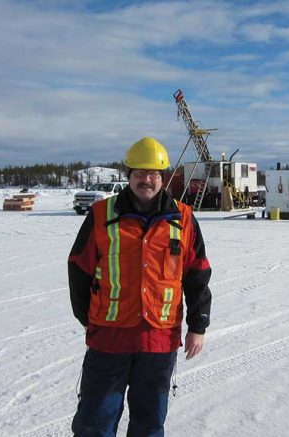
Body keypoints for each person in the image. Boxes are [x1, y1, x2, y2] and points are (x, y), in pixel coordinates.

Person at [68, 137, 212, 437]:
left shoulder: (183, 219)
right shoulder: (101, 216)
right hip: (109, 339)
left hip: (158, 341)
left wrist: (198, 324)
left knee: (148, 425)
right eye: (139, 173)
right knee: (94, 423)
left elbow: (197, 273)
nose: (146, 179)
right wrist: (90, 319)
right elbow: (79, 270)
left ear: (163, 177)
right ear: (128, 175)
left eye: (154, 174)